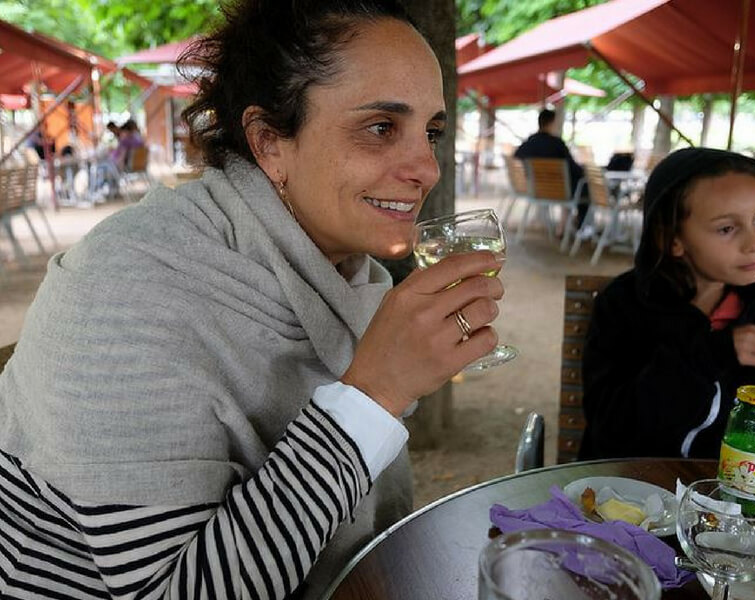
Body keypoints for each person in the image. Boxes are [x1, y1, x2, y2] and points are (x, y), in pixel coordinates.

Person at [0, 2, 505, 599]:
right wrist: (375, 394)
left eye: (432, 131)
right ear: (269, 142)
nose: (426, 167)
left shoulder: (345, 277)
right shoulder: (125, 292)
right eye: (380, 128)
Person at [579, 147, 755, 467]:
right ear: (670, 239)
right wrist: (710, 354)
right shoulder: (623, 307)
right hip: (627, 499)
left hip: (734, 508)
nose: (754, 242)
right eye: (726, 228)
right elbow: (612, 431)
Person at [514, 107, 588, 229]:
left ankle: (565, 226)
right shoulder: (557, 144)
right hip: (561, 191)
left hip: (536, 189)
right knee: (584, 189)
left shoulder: (529, 143)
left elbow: (517, 156)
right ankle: (578, 227)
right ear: (552, 122)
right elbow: (574, 169)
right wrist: (584, 172)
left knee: (572, 185)